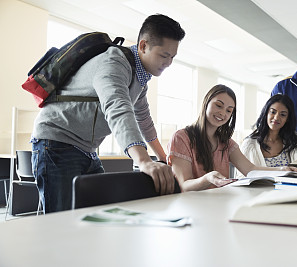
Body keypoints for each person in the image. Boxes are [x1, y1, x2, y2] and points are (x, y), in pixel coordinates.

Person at [31, 14, 185, 213]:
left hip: (86, 150)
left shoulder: (140, 79)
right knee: (60, 224)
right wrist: (144, 161)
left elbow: (144, 121)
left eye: (172, 57)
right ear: (143, 46)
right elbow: (117, 107)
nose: (169, 63)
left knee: (100, 215)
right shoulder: (114, 62)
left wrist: (164, 159)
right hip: (56, 143)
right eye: (164, 55)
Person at [167, 84, 297, 192]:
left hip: (218, 203)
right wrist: (207, 178)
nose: (222, 113)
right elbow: (183, 186)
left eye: (229, 110)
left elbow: (250, 170)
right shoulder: (182, 138)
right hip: (189, 206)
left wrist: (282, 169)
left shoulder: (227, 143)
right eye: (218, 105)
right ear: (206, 102)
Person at [237, 94, 297, 178]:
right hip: (258, 190)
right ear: (266, 113)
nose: (276, 117)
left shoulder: (293, 143)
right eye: (273, 112)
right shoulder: (249, 144)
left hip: (288, 190)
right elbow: (240, 177)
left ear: (287, 119)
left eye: (282, 115)